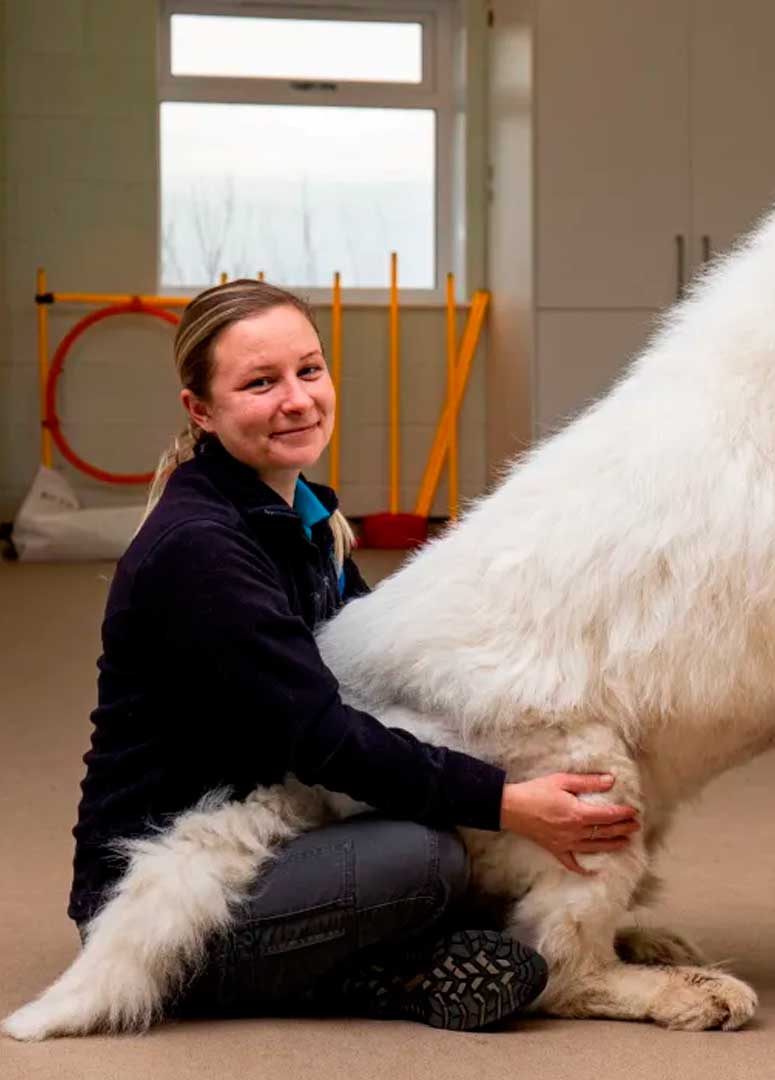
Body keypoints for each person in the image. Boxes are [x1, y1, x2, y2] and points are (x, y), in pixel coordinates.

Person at [67, 279, 638, 1030]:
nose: (298, 399)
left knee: (439, 824)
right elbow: (327, 737)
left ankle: (371, 942)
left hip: (274, 823)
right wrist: (508, 802)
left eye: (310, 370)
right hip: (171, 889)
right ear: (200, 411)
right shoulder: (201, 549)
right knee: (424, 858)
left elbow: (386, 670)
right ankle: (366, 976)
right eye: (260, 383)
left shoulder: (304, 518)